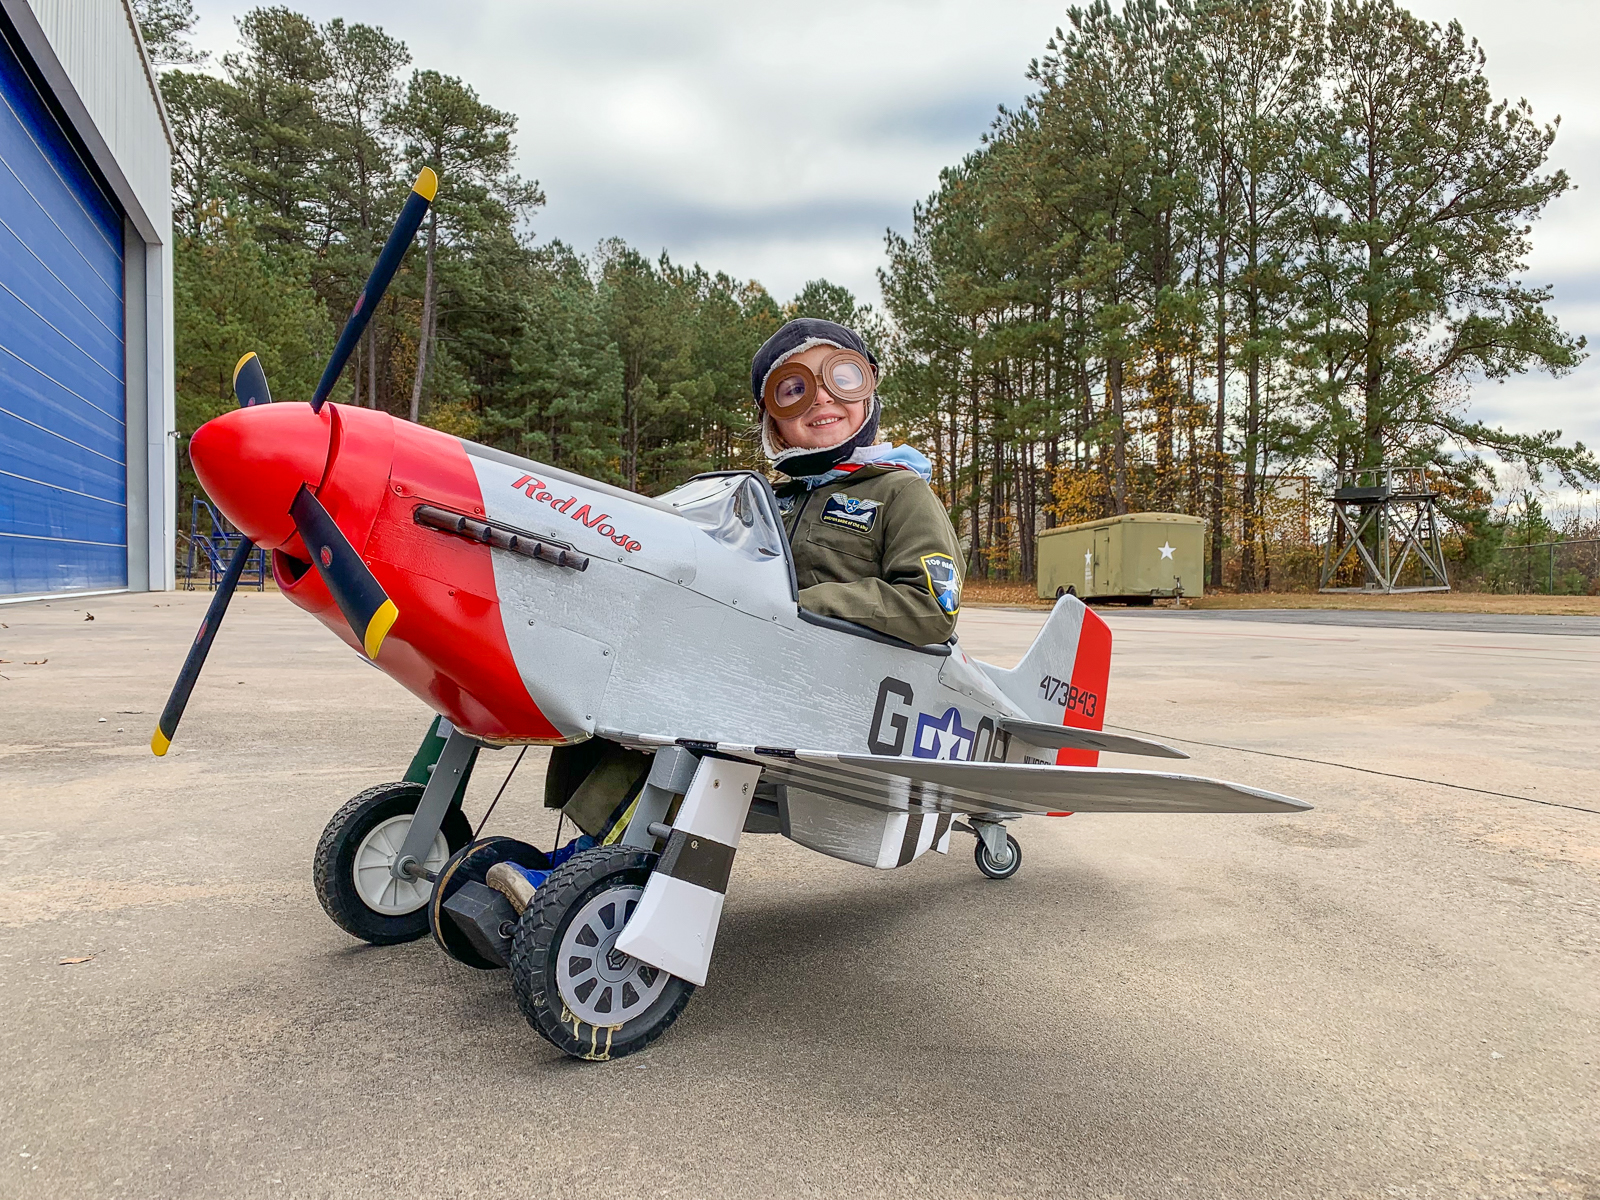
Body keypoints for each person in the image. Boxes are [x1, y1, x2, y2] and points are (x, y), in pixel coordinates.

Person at [541, 317, 964, 852]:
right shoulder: (763, 501)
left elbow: (931, 605)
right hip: (762, 674)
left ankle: (610, 865)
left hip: (837, 693)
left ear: (868, 390)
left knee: (683, 710)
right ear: (773, 422)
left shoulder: (900, 492)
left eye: (841, 378)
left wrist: (796, 606)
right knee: (623, 680)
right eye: (794, 389)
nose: (822, 398)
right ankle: (589, 855)